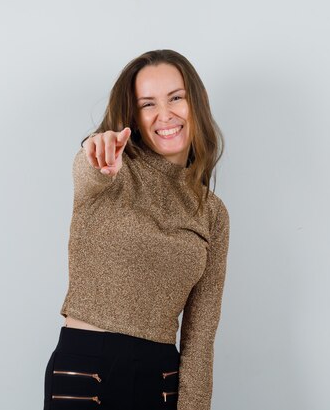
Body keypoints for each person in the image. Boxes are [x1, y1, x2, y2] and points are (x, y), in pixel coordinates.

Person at [43, 49, 230, 410]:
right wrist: (94, 152)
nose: (165, 114)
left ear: (197, 103)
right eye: (148, 104)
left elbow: (200, 334)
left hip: (161, 380)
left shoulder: (212, 213)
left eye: (176, 97)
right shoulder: (113, 170)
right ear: (134, 115)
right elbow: (88, 172)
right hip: (87, 370)